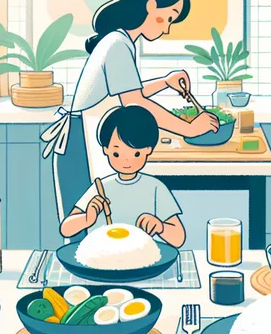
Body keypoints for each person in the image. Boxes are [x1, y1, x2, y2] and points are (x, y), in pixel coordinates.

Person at [40, 0, 218, 243]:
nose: (168, 28)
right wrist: (190, 129)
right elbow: (135, 102)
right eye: (167, 17)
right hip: (82, 145)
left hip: (89, 135)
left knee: (101, 228)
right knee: (86, 229)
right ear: (150, 5)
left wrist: (164, 82)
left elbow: (121, 93)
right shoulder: (117, 44)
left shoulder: (120, 41)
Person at [60, 105, 186, 247]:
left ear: (148, 150)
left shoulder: (155, 188)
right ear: (106, 150)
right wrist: (87, 219)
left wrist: (160, 226)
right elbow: (65, 229)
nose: (126, 160)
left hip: (142, 258)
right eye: (117, 154)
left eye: (136, 153)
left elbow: (178, 238)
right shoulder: (101, 187)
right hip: (101, 258)